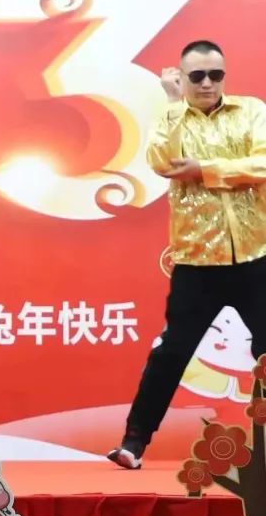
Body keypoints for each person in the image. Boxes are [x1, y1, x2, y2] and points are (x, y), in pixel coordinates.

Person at [109, 40, 266, 469]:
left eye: (216, 74)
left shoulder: (252, 111)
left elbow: (263, 164)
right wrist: (174, 104)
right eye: (197, 76)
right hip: (197, 263)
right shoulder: (171, 117)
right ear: (182, 77)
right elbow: (163, 162)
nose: (207, 83)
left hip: (256, 256)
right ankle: (133, 443)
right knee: (171, 353)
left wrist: (206, 170)